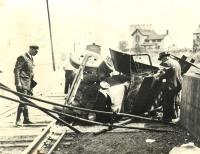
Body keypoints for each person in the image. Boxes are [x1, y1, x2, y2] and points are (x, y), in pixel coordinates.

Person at [14, 45, 39, 126]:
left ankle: (26, 119)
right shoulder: (22, 57)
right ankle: (18, 120)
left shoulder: (30, 58)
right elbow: (17, 70)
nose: (36, 53)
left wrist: (31, 87)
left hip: (28, 84)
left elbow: (30, 74)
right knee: (23, 101)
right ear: (31, 49)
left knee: (25, 101)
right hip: (22, 83)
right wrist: (18, 83)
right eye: (36, 51)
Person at [158, 52, 182, 122]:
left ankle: (166, 119)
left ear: (164, 57)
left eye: (161, 59)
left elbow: (163, 74)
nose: (161, 61)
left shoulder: (166, 63)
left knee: (166, 102)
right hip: (177, 85)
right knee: (173, 101)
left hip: (169, 86)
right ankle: (174, 115)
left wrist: (158, 78)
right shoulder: (176, 62)